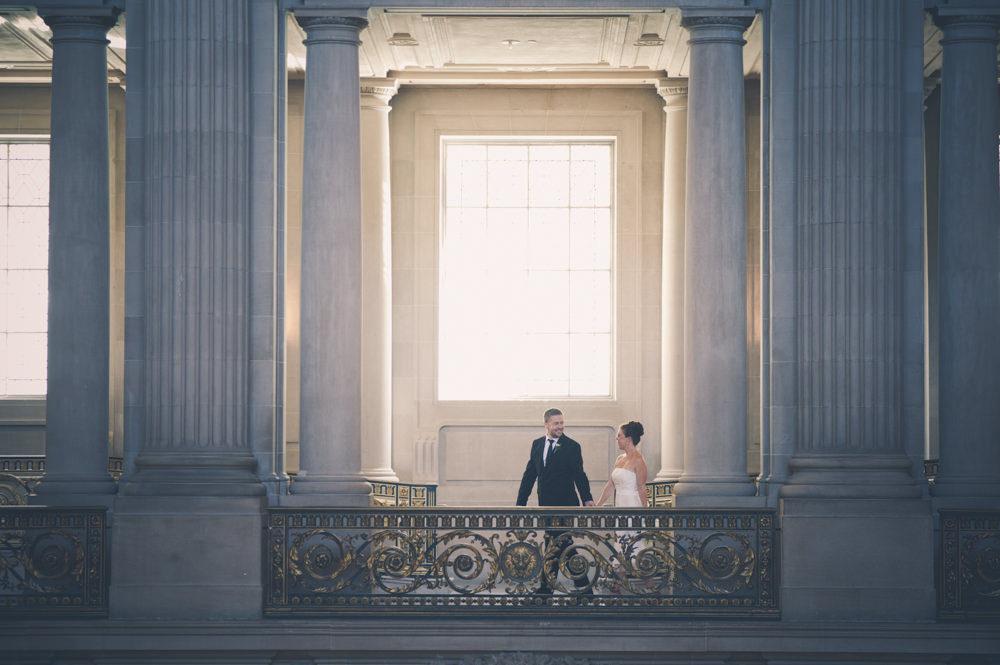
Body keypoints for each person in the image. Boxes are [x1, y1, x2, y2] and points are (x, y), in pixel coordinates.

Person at [516, 408, 594, 594]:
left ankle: (548, 587)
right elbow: (529, 475)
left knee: (557, 543)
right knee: (559, 544)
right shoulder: (537, 444)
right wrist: (520, 503)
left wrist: (587, 498)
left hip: (566, 504)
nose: (560, 426)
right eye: (556, 423)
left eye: (561, 423)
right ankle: (581, 586)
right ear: (546, 424)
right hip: (546, 505)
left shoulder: (572, 446)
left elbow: (579, 475)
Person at [594, 421, 648, 508]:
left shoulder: (639, 461)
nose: (617, 438)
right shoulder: (619, 458)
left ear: (629, 439)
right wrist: (598, 505)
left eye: (619, 436)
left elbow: (641, 488)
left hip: (633, 505)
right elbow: (611, 485)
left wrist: (646, 512)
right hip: (619, 504)